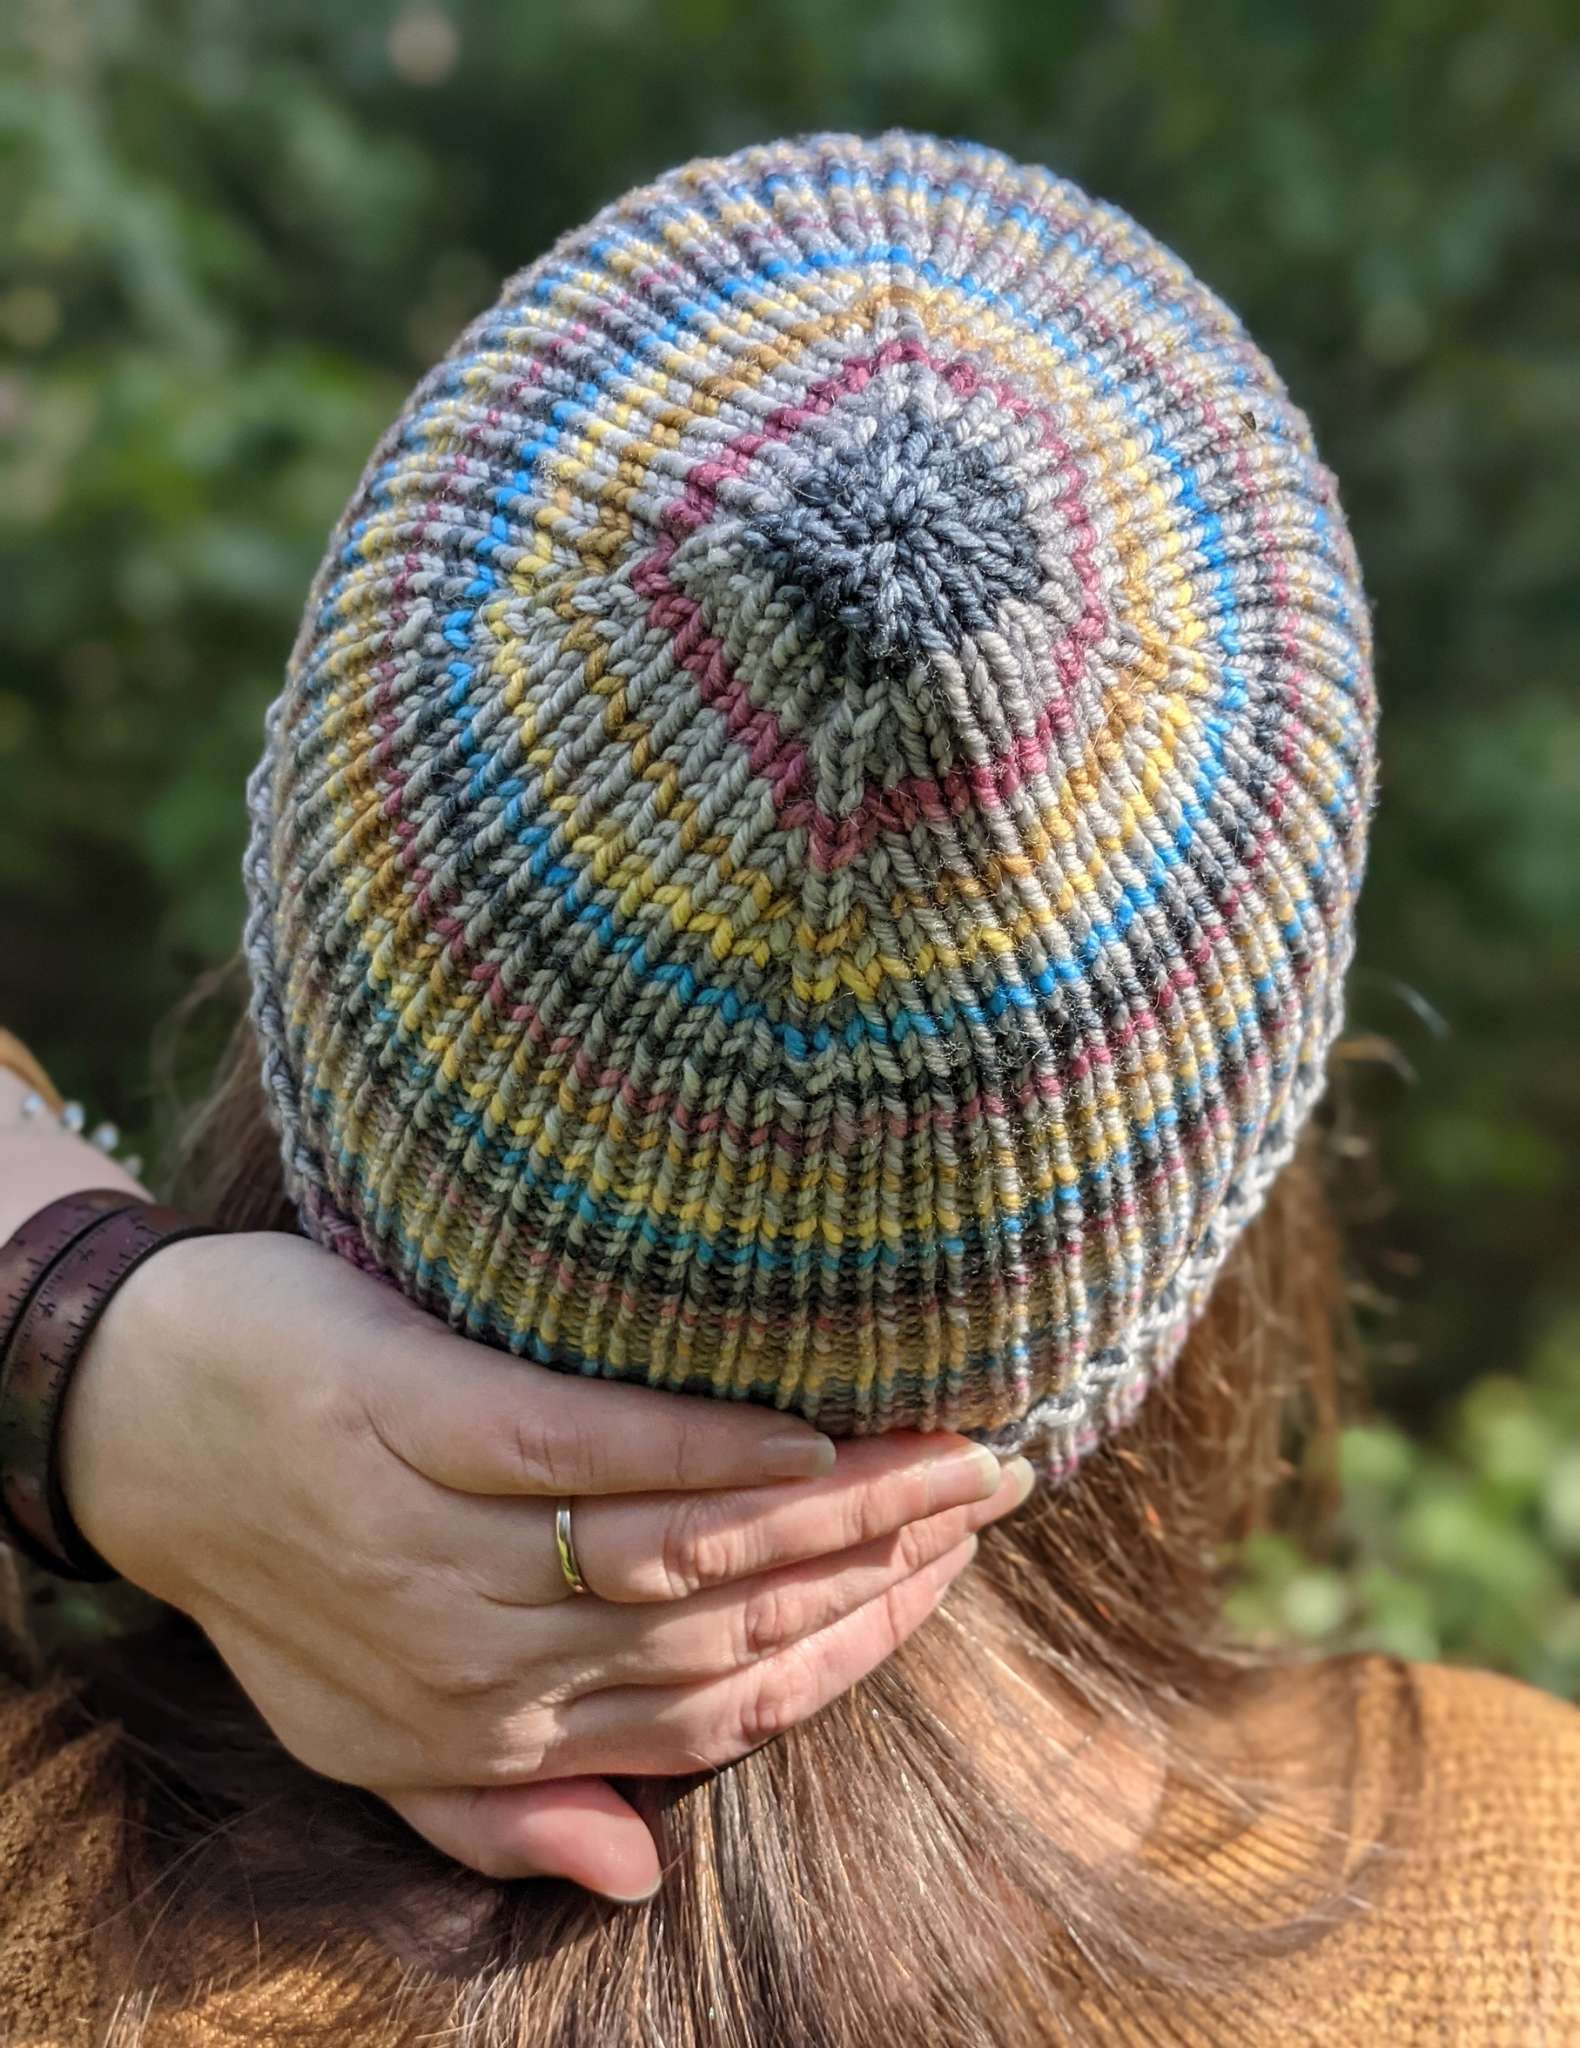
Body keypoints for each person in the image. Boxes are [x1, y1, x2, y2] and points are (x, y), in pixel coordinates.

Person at [1, 130, 1575, 2047]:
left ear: (332, 955)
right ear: (1203, 1154)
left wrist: (74, 1332)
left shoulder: (41, 1914)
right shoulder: (1524, 1894)